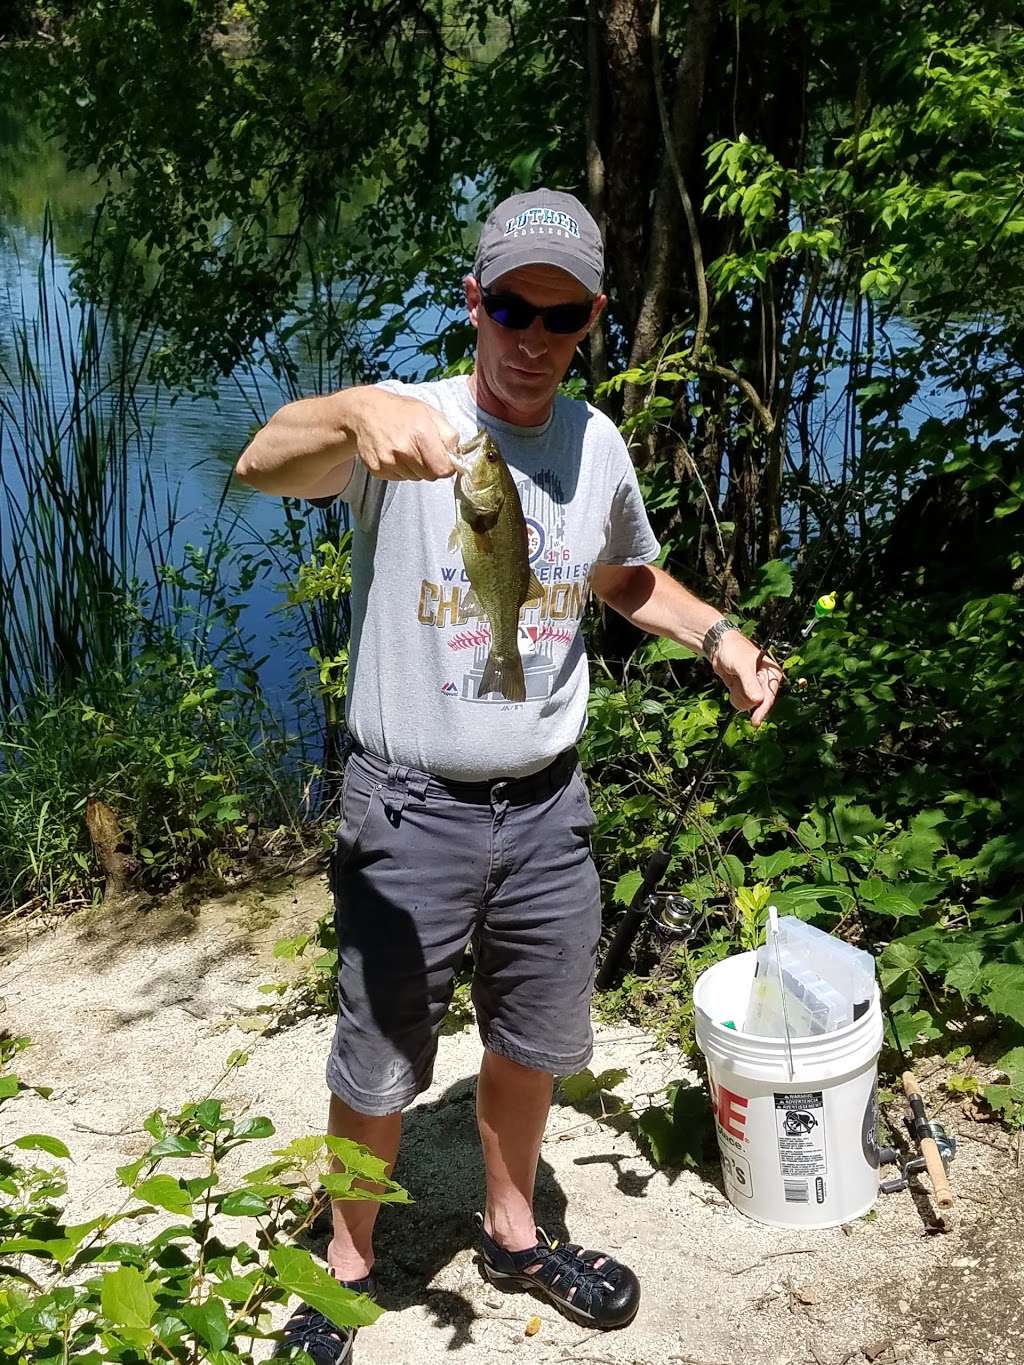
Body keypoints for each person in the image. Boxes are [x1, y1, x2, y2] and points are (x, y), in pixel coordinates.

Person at [235, 188, 784, 1363]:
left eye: (565, 316)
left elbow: (626, 577)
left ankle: (514, 1232)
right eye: (514, 310)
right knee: (378, 1058)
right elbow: (261, 462)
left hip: (547, 810)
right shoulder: (403, 426)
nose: (535, 340)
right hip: (409, 809)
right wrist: (346, 409)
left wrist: (720, 637)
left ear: (589, 320)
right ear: (474, 302)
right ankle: (343, 1269)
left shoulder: (594, 443)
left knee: (534, 1040)